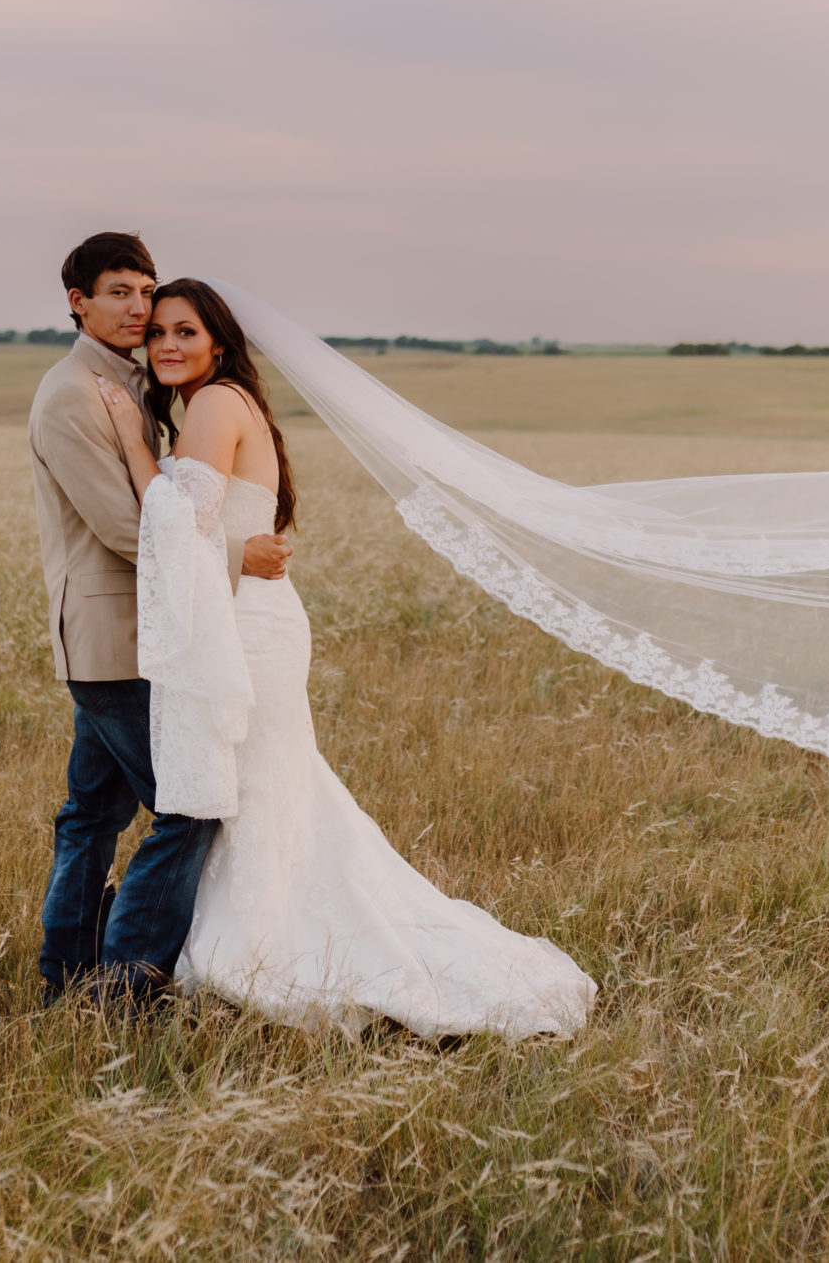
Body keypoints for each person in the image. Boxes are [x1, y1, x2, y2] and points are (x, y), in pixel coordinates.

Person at [96, 279, 597, 1037]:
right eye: (157, 331)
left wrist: (135, 447)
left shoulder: (212, 404)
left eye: (185, 332)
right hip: (248, 618)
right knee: (265, 790)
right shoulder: (222, 402)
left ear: (219, 343)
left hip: (249, 631)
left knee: (245, 789)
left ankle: (255, 951)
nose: (166, 343)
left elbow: (178, 521)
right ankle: (231, 939)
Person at [28, 233, 290, 1003]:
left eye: (145, 290)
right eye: (119, 291)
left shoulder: (134, 384)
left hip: (151, 633)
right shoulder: (74, 393)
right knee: (188, 806)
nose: (138, 307)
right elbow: (124, 528)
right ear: (78, 301)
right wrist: (242, 554)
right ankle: (123, 988)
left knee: (92, 816)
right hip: (116, 641)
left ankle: (65, 978)